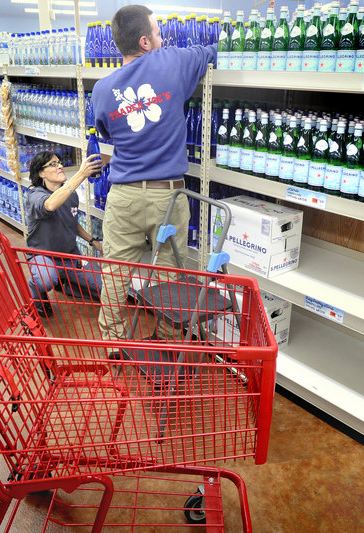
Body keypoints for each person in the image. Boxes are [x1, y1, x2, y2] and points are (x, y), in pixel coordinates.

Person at [92, 5, 217, 342]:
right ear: (146, 41)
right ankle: (167, 338)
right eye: (159, 33)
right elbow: (211, 51)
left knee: (115, 273)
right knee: (171, 275)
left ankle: (113, 343)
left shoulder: (102, 90)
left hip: (123, 196)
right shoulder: (174, 62)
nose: (163, 38)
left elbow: (105, 134)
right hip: (169, 196)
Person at [24, 150, 103, 317]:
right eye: (53, 164)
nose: (60, 166)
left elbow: (72, 223)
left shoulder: (72, 195)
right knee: (45, 281)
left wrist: (93, 242)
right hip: (44, 255)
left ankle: (66, 283)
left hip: (69, 256)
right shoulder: (36, 196)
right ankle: (37, 289)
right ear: (41, 173)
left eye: (59, 162)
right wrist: (81, 174)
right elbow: (50, 205)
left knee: (102, 289)